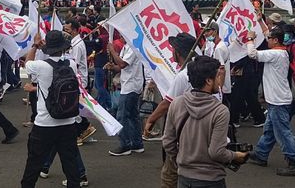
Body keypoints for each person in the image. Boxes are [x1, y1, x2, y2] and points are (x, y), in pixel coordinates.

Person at [163, 55, 249, 188]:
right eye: (218, 76)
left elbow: (168, 142)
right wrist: (235, 155)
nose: (220, 80)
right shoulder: (220, 111)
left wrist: (182, 160)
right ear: (209, 81)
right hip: (211, 179)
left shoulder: (177, 103)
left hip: (184, 178)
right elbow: (217, 152)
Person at [20, 30, 82, 188]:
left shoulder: (40, 66)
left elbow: (27, 63)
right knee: (70, 164)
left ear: (48, 46)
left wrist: (35, 45)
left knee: (34, 163)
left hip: (45, 123)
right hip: (68, 121)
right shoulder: (72, 64)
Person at [245, 25, 295, 177]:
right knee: (270, 130)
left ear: (276, 40)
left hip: (278, 100)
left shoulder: (275, 54)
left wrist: (250, 38)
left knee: (283, 133)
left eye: (270, 39)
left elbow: (252, 54)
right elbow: (268, 36)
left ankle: (294, 162)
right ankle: (261, 154)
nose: (267, 40)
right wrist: (260, 21)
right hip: (277, 99)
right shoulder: (281, 52)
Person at [143, 32, 198, 188]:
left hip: (183, 130)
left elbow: (166, 103)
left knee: (170, 176)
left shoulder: (184, 75)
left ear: (178, 52)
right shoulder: (200, 68)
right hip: (198, 130)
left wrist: (151, 120)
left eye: (172, 48)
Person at [106, 33, 144, 156]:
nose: (120, 37)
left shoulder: (133, 47)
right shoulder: (127, 47)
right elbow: (121, 67)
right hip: (129, 84)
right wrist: (113, 67)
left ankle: (125, 145)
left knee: (122, 116)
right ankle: (137, 144)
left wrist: (112, 51)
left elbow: (122, 64)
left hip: (131, 86)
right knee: (133, 115)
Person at [64, 19, 94, 144]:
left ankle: (83, 129)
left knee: (76, 107)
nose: (66, 32)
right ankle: (82, 128)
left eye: (68, 30)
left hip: (78, 80)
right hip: (76, 79)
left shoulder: (77, 45)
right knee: (76, 107)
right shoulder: (74, 43)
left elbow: (73, 63)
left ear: (75, 30)